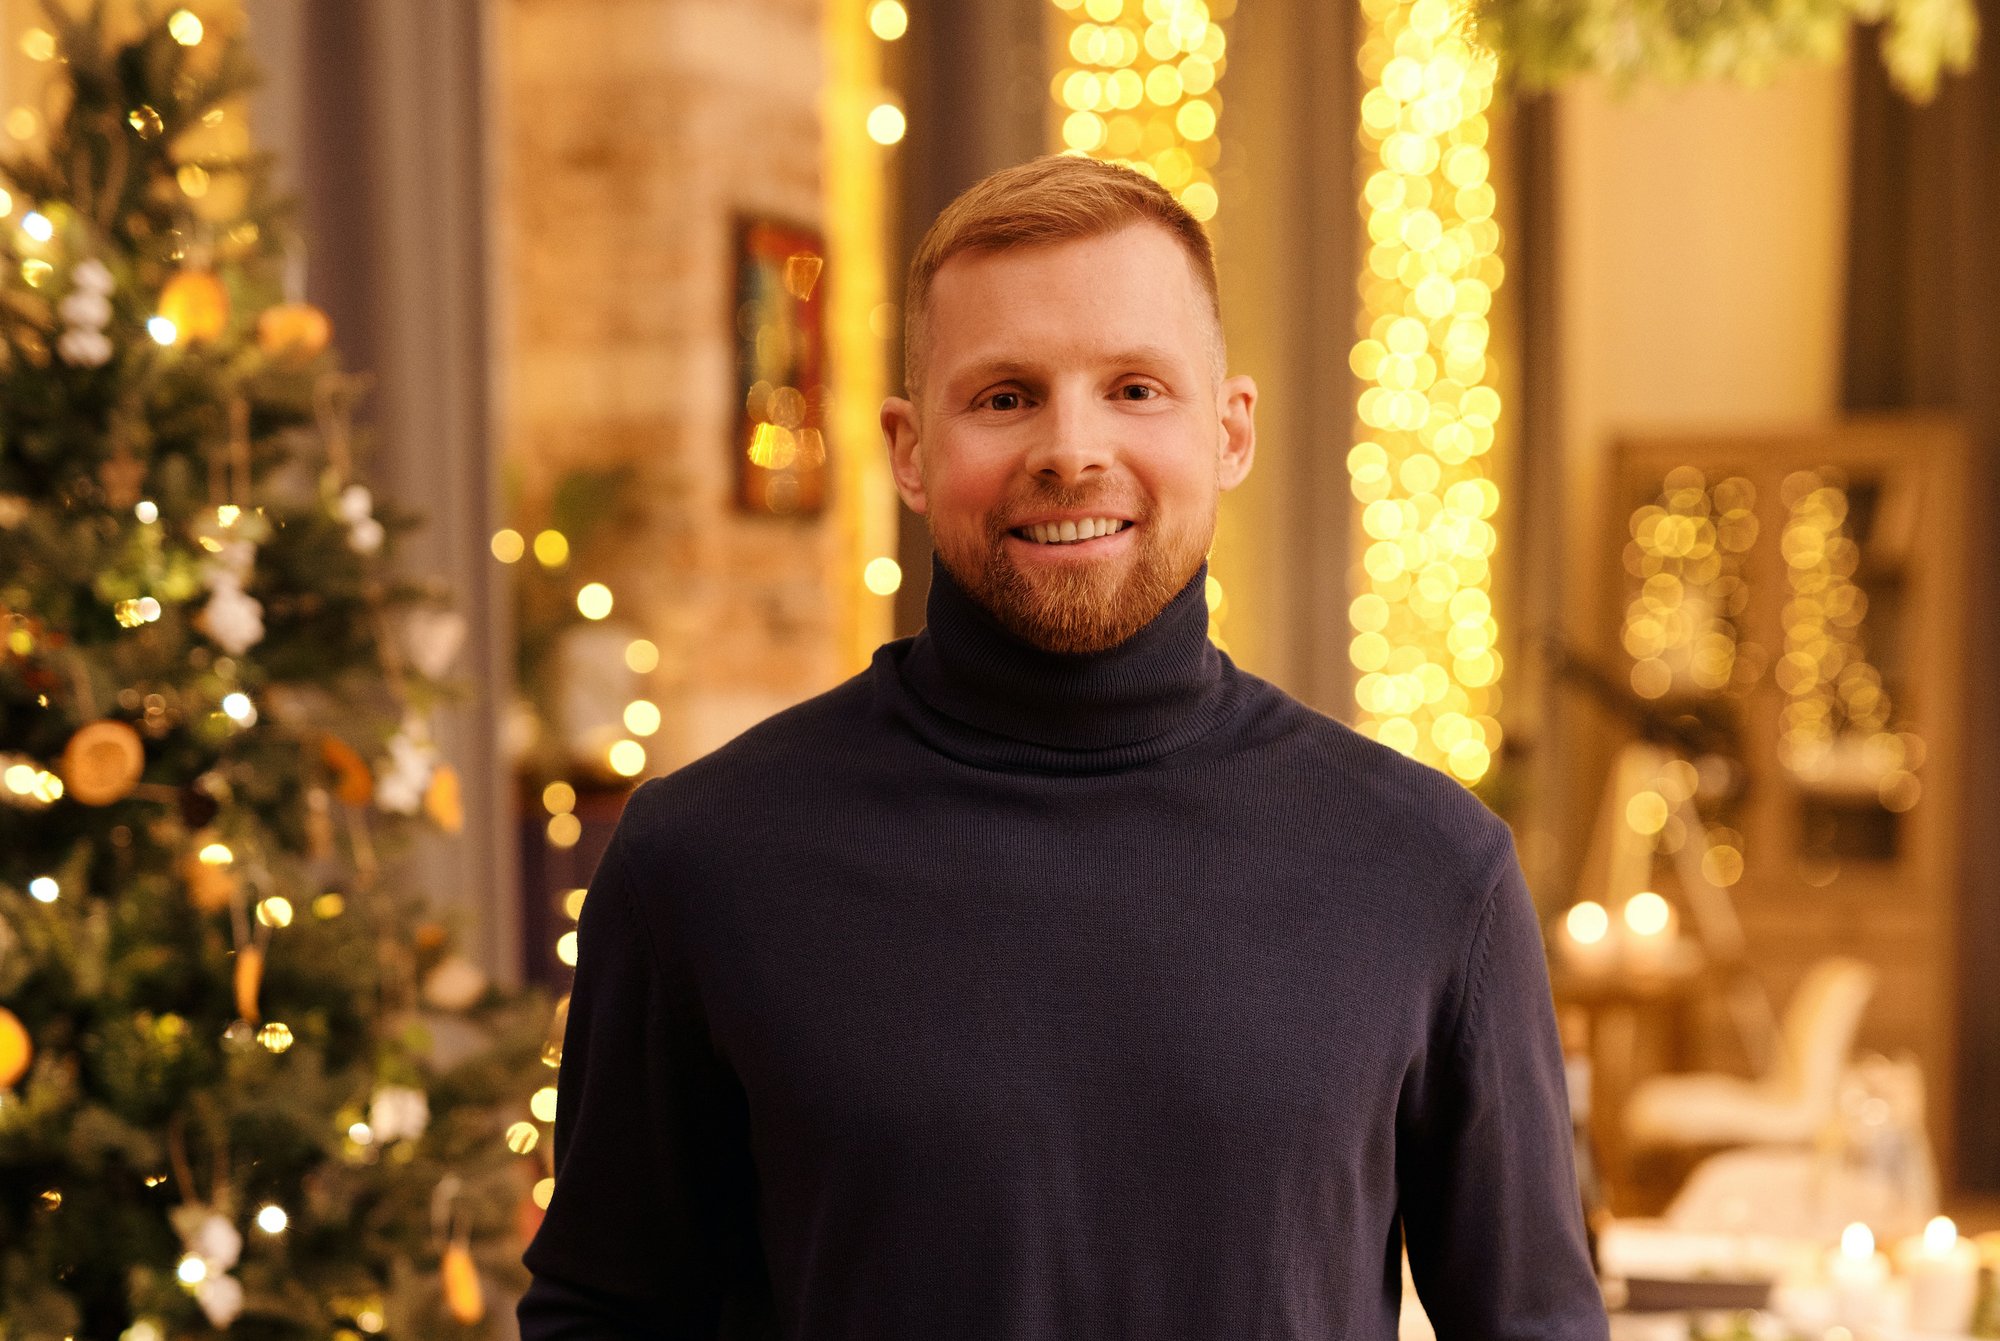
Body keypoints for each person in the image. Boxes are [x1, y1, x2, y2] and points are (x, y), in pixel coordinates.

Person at [518, 155, 1608, 1340]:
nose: (1070, 450)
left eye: (1134, 388)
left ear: (1229, 430)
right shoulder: (702, 861)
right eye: (1003, 397)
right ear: (908, 450)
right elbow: (604, 1315)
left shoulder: (1427, 865)